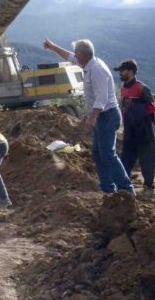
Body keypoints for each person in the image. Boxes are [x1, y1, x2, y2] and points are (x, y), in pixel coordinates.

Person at [44, 38, 135, 196]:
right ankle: (107, 189)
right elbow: (69, 57)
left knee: (107, 154)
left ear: (83, 55)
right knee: (98, 154)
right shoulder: (88, 63)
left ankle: (127, 189)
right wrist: (52, 47)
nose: (75, 58)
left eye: (77, 55)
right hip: (102, 116)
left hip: (108, 115)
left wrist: (91, 118)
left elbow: (102, 98)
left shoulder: (97, 69)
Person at [116, 59, 155, 200]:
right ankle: (124, 187)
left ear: (131, 72)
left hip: (143, 128)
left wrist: (147, 123)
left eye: (122, 71)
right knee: (126, 158)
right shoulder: (123, 89)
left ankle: (149, 189)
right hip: (129, 129)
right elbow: (123, 108)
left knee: (147, 158)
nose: (120, 74)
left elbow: (152, 108)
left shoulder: (142, 88)